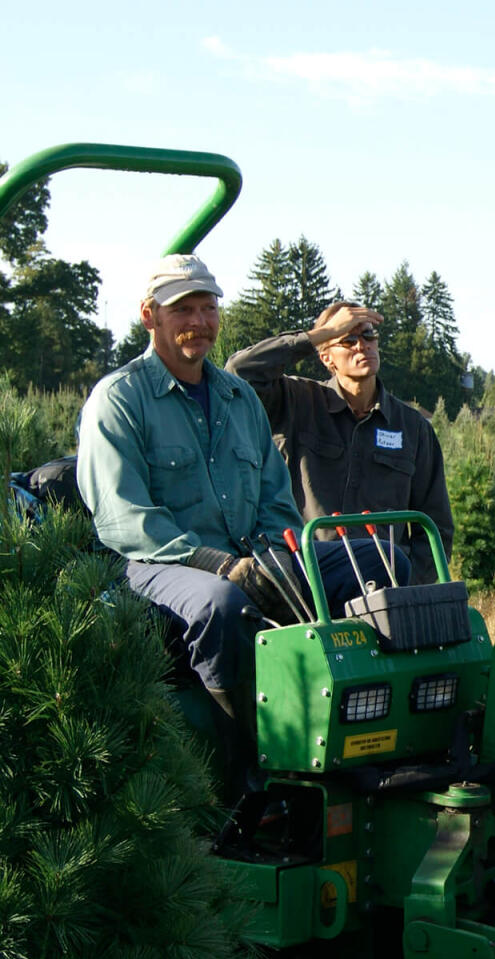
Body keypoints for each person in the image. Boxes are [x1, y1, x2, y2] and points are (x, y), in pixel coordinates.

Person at [76, 255, 400, 799]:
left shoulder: (236, 398)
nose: (199, 322)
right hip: (159, 565)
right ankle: (247, 778)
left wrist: (275, 556)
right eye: (183, 309)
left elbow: (276, 495)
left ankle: (373, 735)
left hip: (251, 558)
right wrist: (218, 563)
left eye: (208, 308)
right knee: (221, 606)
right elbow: (122, 518)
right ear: (149, 316)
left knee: (380, 559)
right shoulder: (121, 398)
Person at [225, 302, 453, 584]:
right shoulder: (297, 403)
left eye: (369, 336)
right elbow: (239, 371)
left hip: (386, 586)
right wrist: (320, 333)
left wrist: (410, 591)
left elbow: (435, 527)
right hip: (310, 580)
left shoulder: (412, 427)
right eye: (348, 339)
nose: (362, 346)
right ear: (326, 358)